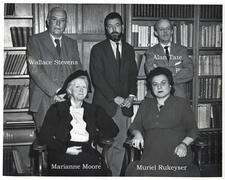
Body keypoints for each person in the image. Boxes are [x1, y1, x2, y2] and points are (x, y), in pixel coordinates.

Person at [38, 70, 119, 176]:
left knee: (92, 168)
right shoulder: (57, 109)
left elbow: (113, 129)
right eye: (77, 87)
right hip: (62, 152)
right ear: (69, 90)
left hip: (86, 150)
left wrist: (96, 138)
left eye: (84, 87)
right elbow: (44, 137)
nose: (81, 90)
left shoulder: (94, 109)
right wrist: (65, 149)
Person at [125, 67, 199, 177]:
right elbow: (135, 125)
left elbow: (193, 130)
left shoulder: (181, 104)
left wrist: (184, 144)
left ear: (170, 85)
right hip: (150, 157)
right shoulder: (145, 104)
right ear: (151, 88)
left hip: (176, 155)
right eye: (155, 84)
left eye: (163, 83)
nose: (159, 87)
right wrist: (137, 134)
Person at [89, 12, 138, 176]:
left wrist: (131, 96)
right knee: (103, 145)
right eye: (110, 26)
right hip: (105, 105)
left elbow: (133, 76)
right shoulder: (97, 49)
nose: (114, 29)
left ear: (122, 27)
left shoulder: (130, 49)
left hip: (124, 106)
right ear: (106, 29)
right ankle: (102, 175)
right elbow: (97, 78)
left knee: (119, 144)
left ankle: (115, 176)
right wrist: (115, 97)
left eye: (117, 25)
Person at [27, 7, 82, 130]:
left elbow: (78, 71)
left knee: (67, 140)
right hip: (44, 100)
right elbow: (35, 70)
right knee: (47, 142)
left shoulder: (71, 43)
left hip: (69, 99)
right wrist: (58, 91)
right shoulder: (35, 41)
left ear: (66, 23)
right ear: (47, 21)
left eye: (62, 20)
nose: (58, 23)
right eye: (54, 19)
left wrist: (73, 92)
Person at [144, 18, 193, 98]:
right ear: (156, 33)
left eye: (167, 28)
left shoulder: (182, 50)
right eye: (161, 29)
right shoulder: (151, 51)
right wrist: (176, 70)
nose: (165, 32)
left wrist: (161, 71)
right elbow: (151, 73)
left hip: (178, 95)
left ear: (172, 31)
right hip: (156, 96)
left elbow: (190, 73)